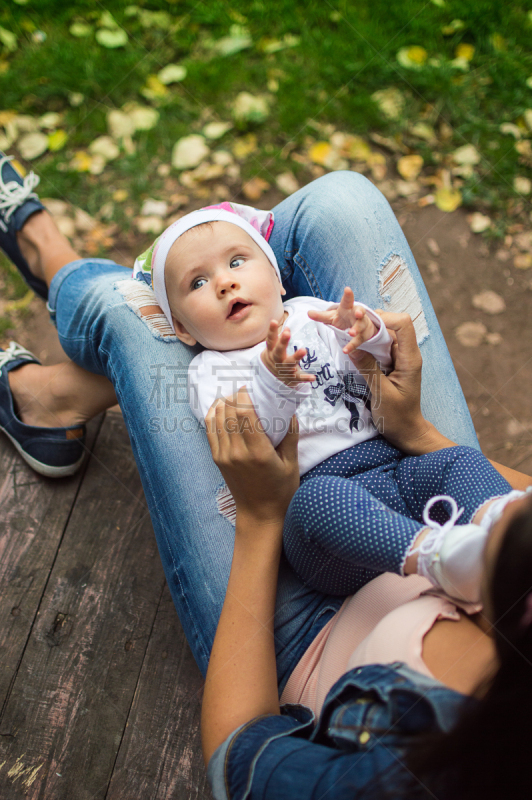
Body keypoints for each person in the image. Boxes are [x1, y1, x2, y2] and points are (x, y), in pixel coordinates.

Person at [0, 153, 530, 797]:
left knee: (126, 319)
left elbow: (237, 758)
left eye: (236, 265)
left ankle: (49, 283)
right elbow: (298, 395)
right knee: (339, 200)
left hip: (296, 559)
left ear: (278, 279)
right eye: (197, 283)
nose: (223, 284)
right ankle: (488, 528)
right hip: (375, 479)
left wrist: (343, 351)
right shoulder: (223, 361)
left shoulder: (400, 779)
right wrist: (381, 360)